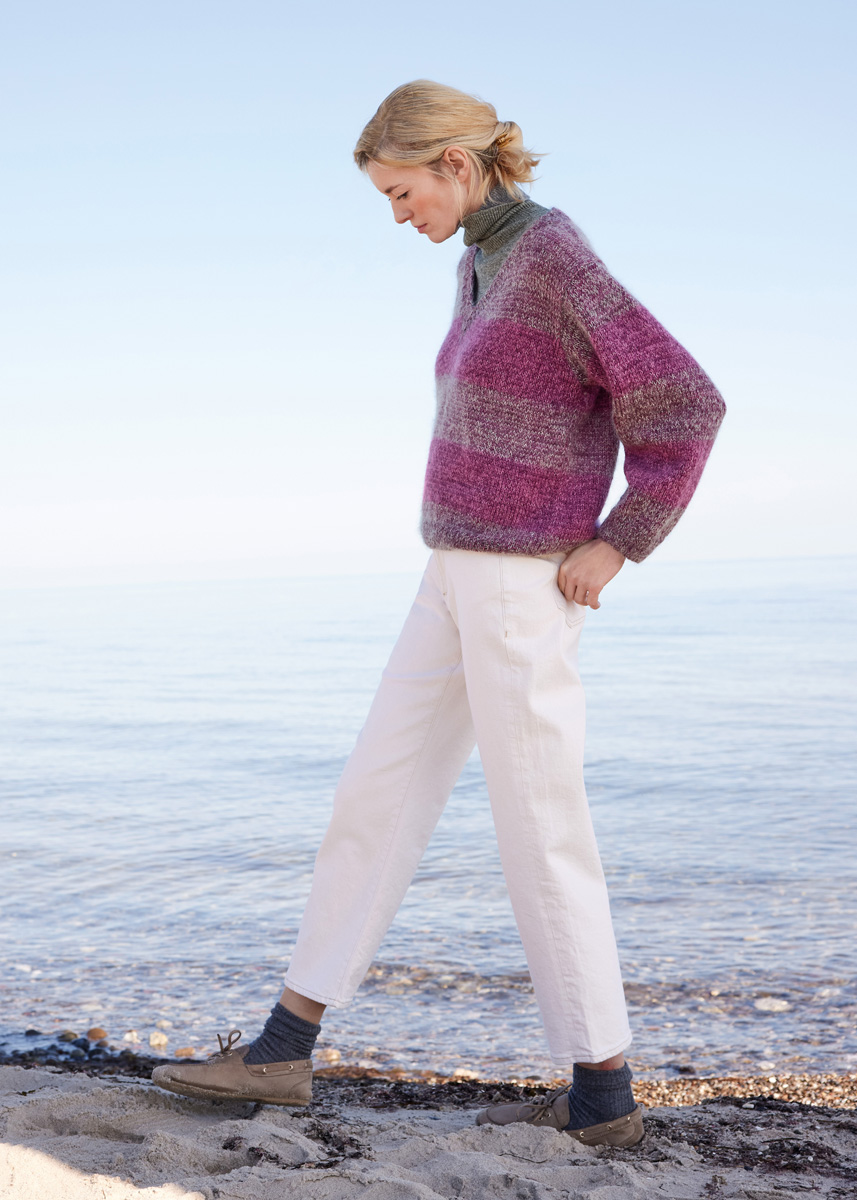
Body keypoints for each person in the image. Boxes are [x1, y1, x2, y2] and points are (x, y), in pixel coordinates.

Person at [153, 80, 726, 1147]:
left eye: (400, 190)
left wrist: (620, 538)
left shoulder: (552, 257)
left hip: (519, 584)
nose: (397, 213)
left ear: (455, 165)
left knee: (540, 829)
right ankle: (281, 1049)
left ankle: (601, 1095)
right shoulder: (480, 260)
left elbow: (684, 401)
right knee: (373, 795)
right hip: (451, 574)